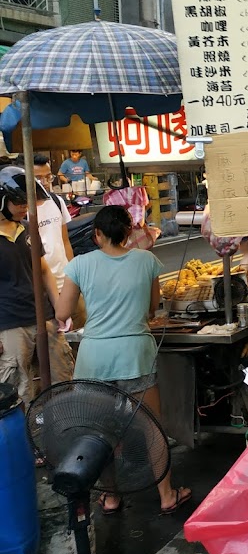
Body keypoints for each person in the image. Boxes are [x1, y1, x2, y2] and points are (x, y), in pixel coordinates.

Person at [56, 205, 191, 515]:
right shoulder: (147, 261)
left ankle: (111, 496)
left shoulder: (80, 264)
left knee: (98, 431)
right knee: (151, 428)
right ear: (129, 232)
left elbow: (63, 313)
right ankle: (168, 495)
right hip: (135, 354)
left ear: (97, 235)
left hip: (94, 359)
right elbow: (151, 307)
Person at [0, 167, 76, 405]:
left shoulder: (27, 228)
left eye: (28, 202)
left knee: (62, 376)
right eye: (19, 201)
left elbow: (43, 270)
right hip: (10, 322)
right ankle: (24, 439)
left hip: (44, 315)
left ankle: (62, 430)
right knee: (19, 388)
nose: (25, 207)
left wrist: (59, 308)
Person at [32, 155, 86, 329]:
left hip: (67, 282)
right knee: (56, 335)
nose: (45, 182)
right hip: (43, 288)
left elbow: (65, 241)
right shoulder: (21, 211)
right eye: (38, 178)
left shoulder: (56, 200)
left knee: (82, 328)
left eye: (48, 176)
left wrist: (73, 274)